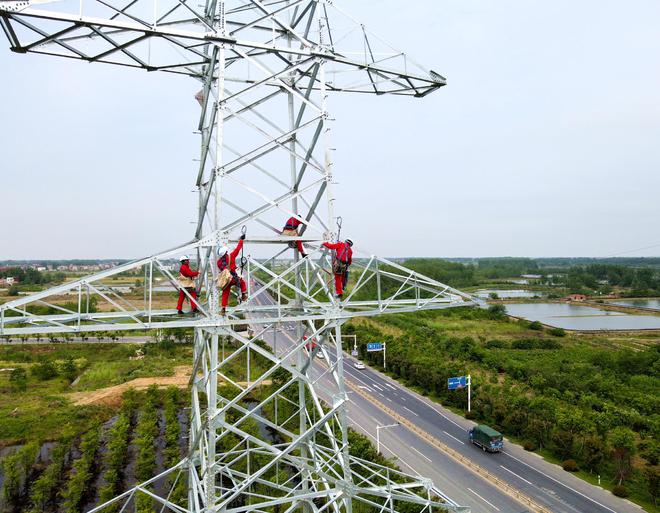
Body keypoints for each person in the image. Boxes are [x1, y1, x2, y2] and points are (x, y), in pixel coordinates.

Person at [217, 234, 248, 315]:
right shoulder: (231, 256)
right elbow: (238, 249)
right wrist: (241, 240)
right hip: (233, 278)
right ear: (226, 252)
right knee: (242, 283)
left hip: (226, 280)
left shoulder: (218, 262)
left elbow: (222, 270)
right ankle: (244, 295)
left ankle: (223, 309)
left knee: (225, 293)